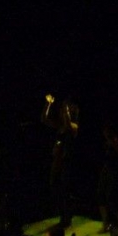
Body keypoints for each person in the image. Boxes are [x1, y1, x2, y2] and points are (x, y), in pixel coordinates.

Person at [41, 93, 79, 227]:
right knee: (53, 184)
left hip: (66, 161)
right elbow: (45, 119)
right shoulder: (60, 126)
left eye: (65, 111)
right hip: (57, 160)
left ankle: (66, 217)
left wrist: (67, 110)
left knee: (64, 188)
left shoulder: (73, 127)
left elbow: (69, 124)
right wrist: (49, 104)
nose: (62, 113)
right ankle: (64, 213)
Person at [97, 123, 118, 233]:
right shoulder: (108, 141)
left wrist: (112, 142)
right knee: (100, 195)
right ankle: (105, 224)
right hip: (106, 168)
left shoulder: (115, 139)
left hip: (115, 169)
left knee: (111, 198)